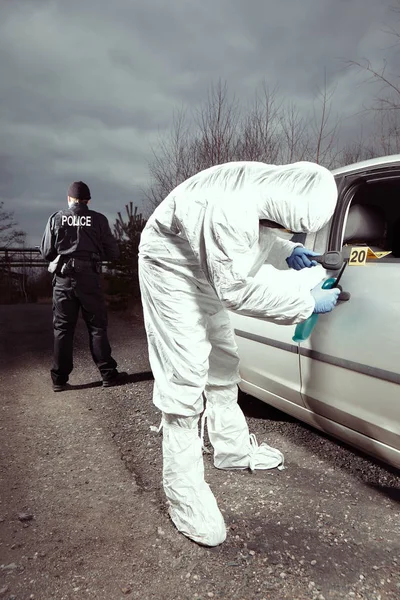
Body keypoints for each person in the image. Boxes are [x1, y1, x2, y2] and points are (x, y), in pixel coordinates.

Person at [138, 161, 340, 547]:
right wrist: (305, 301)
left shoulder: (261, 186)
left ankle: (229, 449)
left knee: (223, 358)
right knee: (184, 377)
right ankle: (184, 496)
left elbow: (259, 232)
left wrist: (291, 250)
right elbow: (237, 290)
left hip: (202, 265)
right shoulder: (229, 208)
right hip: (169, 267)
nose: (284, 229)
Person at [40, 181, 124, 391]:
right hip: (89, 278)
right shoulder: (98, 220)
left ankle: (59, 380)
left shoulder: (56, 218)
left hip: (63, 279)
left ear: (69, 199)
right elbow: (113, 253)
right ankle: (108, 375)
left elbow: (46, 252)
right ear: (87, 200)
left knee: (63, 329)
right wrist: (94, 255)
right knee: (96, 327)